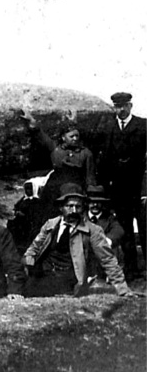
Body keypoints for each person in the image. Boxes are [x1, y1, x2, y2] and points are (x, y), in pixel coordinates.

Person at [22, 183, 134, 297]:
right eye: (69, 206)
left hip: (70, 275)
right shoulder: (51, 224)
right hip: (46, 270)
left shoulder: (92, 230)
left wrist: (122, 288)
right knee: (26, 287)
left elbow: (107, 259)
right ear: (61, 207)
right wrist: (29, 262)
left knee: (43, 289)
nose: (74, 210)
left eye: (78, 206)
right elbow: (34, 247)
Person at [95, 92, 147, 281]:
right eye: (117, 106)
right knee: (125, 231)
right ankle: (131, 269)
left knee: (145, 229)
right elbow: (104, 161)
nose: (121, 110)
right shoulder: (109, 128)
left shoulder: (143, 126)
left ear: (131, 106)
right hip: (119, 191)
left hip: (139, 190)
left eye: (124, 106)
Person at [20, 109, 97, 222]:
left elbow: (90, 177)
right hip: (54, 187)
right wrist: (32, 122)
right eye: (72, 136)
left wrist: (92, 196)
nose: (75, 139)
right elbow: (41, 136)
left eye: (77, 136)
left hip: (74, 187)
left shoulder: (86, 153)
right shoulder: (56, 149)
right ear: (63, 137)